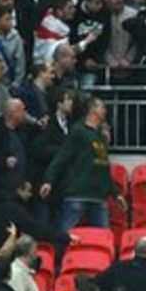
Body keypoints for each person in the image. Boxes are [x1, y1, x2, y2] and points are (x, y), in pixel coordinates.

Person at [40, 97, 126, 231]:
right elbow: (62, 156)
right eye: (101, 107)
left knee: (103, 236)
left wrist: (116, 193)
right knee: (66, 232)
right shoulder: (78, 131)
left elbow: (103, 167)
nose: (105, 111)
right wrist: (48, 180)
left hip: (97, 195)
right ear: (92, 110)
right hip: (77, 193)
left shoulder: (100, 135)